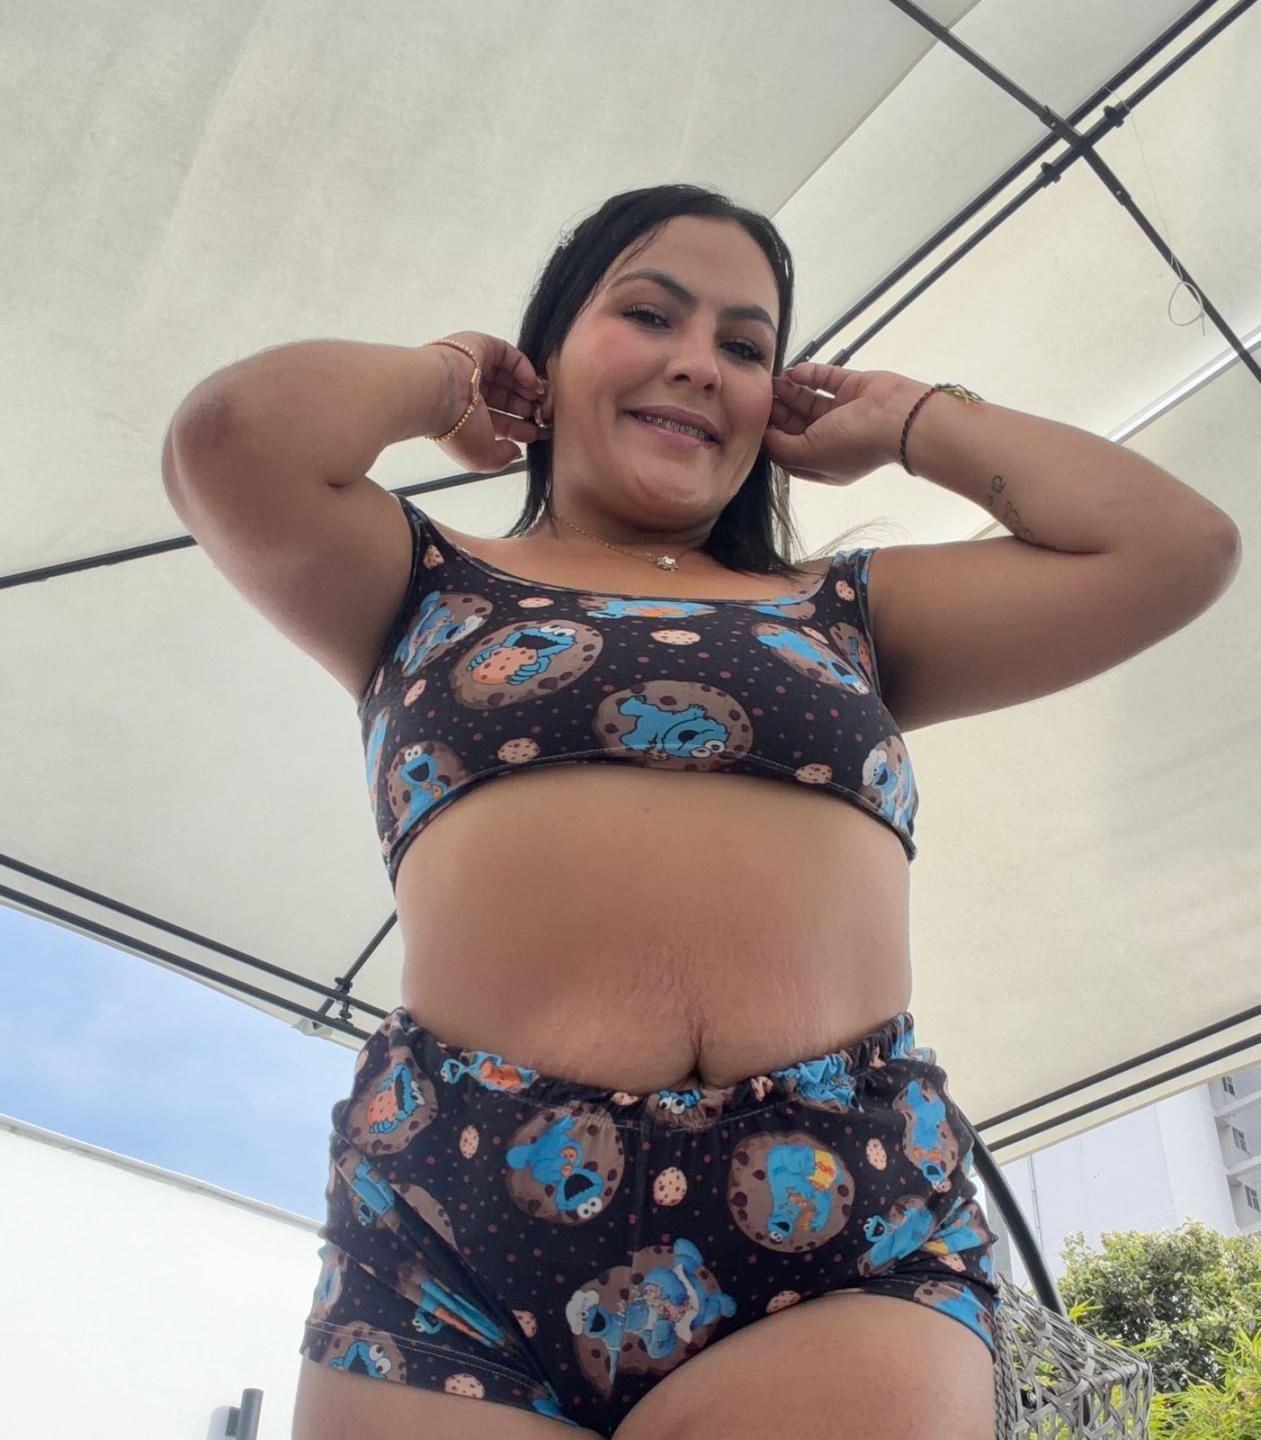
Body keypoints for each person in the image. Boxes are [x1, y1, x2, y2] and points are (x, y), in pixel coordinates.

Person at [161, 184, 1059, 1439]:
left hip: (837, 1214)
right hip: (454, 1223)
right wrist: (448, 379)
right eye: (648, 314)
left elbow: (1170, 550)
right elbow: (230, 438)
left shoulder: (847, 609)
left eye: (745, 345)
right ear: (547, 359)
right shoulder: (419, 578)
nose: (699, 362)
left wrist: (913, 421)